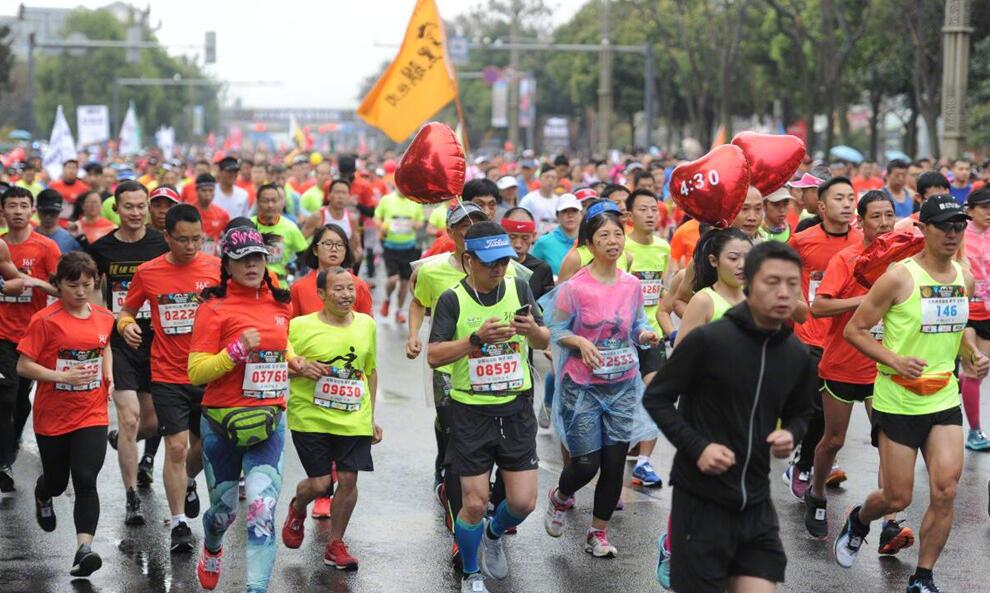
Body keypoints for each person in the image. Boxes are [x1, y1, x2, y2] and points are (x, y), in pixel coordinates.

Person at [835, 195, 989, 593]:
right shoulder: (898, 277)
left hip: (942, 397)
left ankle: (923, 577)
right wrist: (894, 359)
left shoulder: (963, 278)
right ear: (923, 229)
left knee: (945, 490)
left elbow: (953, 332)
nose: (953, 234)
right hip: (898, 398)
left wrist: (971, 353)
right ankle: (859, 519)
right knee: (897, 496)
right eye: (944, 226)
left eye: (959, 226)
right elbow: (855, 329)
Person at [644, 240, 815, 593]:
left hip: (755, 503)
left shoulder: (794, 354)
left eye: (792, 283)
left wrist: (793, 434)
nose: (784, 293)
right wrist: (699, 447)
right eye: (772, 282)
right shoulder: (710, 340)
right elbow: (658, 397)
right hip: (701, 503)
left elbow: (802, 411)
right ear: (750, 282)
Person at [428, 221, 548, 593]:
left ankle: (494, 535)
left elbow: (545, 338)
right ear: (469, 260)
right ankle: (470, 573)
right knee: (475, 504)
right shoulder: (453, 298)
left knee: (524, 502)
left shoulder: (520, 287)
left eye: (504, 262)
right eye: (490, 262)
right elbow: (434, 355)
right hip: (471, 411)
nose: (499, 269)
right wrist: (475, 340)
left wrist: (531, 331)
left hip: (515, 408)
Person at [187, 225, 305, 593]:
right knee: (223, 514)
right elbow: (195, 372)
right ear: (228, 264)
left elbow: (277, 349)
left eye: (257, 257)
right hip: (221, 422)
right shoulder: (213, 308)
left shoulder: (282, 303)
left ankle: (256, 589)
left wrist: (292, 359)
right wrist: (235, 351)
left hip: (269, 422)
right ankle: (212, 545)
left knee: (261, 513)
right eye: (243, 259)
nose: (252, 265)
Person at [541, 200, 659, 558]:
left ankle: (598, 533)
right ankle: (561, 496)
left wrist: (645, 335)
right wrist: (578, 341)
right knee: (587, 464)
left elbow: (637, 325)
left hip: (622, 384)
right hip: (583, 388)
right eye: (603, 235)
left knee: (613, 462)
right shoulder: (575, 288)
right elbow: (555, 328)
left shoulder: (632, 285)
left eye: (617, 234)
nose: (613, 241)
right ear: (589, 245)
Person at [801, 190, 916, 552]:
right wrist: (867, 301)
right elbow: (818, 307)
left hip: (884, 369)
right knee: (832, 440)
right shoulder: (846, 258)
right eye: (875, 217)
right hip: (841, 364)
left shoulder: (906, 261)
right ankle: (817, 494)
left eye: (888, 216)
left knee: (888, 447)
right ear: (861, 222)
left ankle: (890, 524)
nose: (883, 224)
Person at [119, 204, 221, 552]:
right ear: (166, 236)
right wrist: (127, 325)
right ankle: (179, 525)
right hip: (167, 373)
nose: (191, 247)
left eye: (197, 239)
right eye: (182, 240)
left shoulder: (216, 269)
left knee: (203, 446)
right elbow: (127, 310)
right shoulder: (148, 272)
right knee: (175, 447)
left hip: (208, 373)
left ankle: (190, 481)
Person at [16, 251, 114, 577]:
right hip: (53, 415)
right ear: (58, 285)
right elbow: (23, 365)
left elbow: (105, 347)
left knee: (86, 479)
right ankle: (43, 493)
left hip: (92, 412)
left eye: (87, 284)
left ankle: (84, 549)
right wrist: (63, 377)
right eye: (73, 285)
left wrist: (108, 376)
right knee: (58, 482)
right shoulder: (45, 320)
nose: (81, 291)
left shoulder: (103, 317)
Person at [281, 266, 382, 570]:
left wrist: (371, 417)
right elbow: (275, 365)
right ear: (322, 294)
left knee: (349, 479)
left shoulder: (366, 325)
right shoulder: (298, 327)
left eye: (350, 288)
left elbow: (370, 370)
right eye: (338, 289)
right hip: (311, 416)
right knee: (320, 483)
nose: (346, 295)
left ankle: (335, 544)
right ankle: (298, 506)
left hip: (353, 415)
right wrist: (298, 368)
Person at [88, 180, 168, 521]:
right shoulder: (101, 248)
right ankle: (131, 495)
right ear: (116, 209)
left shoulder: (161, 244)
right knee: (131, 416)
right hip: (120, 343)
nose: (135, 212)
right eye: (129, 206)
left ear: (148, 208)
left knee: (152, 423)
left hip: (157, 341)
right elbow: (93, 293)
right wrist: (98, 332)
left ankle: (122, 438)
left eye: (141, 206)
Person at [784, 176, 863, 499]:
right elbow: (783, 274)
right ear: (821, 206)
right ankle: (804, 464)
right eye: (839, 198)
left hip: (848, 337)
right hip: (809, 334)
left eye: (850, 198)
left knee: (832, 415)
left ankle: (816, 462)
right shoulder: (803, 241)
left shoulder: (861, 241)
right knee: (814, 406)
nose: (846, 204)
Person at [0, 186, 59, 491]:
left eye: (24, 205)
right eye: (12, 205)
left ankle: (10, 446)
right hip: (2, 334)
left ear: (32, 209)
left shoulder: (45, 247)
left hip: (33, 336)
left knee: (20, 398)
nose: (19, 211)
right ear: (3, 211)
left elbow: (66, 289)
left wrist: (35, 281)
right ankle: (4, 460)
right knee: (6, 395)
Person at [622, 189, 673, 487]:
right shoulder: (621, 247)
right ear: (629, 216)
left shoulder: (663, 247)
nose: (651, 214)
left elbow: (662, 289)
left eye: (654, 209)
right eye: (643, 209)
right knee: (627, 398)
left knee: (657, 393)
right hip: (624, 336)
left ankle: (644, 462)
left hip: (651, 334)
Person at [676, 228, 753, 346]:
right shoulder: (703, 301)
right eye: (733, 258)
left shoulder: (755, 299)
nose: (742, 265)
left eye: (748, 258)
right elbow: (681, 356)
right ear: (713, 260)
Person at [292, 223, 373, 319]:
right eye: (328, 244)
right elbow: (293, 327)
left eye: (340, 245)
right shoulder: (299, 288)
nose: (334, 249)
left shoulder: (359, 286)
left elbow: (368, 325)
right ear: (315, 250)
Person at [961, 187, 990, 450]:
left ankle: (962, 386)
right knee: (974, 368)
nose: (989, 213)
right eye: (984, 208)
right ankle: (975, 431)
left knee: (981, 372)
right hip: (967, 313)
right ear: (970, 210)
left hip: (989, 314)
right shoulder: (959, 237)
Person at [375, 189, 424, 323]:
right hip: (390, 246)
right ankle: (387, 299)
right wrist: (382, 226)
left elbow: (420, 222)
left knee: (404, 283)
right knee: (393, 279)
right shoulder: (386, 199)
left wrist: (415, 224)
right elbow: (377, 218)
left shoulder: (415, 201)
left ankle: (399, 311)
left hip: (409, 247)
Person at [251, 183, 308, 283]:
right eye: (265, 201)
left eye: (274, 200)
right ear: (258, 202)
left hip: (280, 286)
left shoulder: (290, 227)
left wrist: (292, 270)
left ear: (280, 202)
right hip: (253, 285)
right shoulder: (248, 226)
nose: (270, 205)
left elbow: (305, 256)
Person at [301, 179, 363, 263]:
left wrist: (352, 259)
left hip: (343, 268)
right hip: (320, 267)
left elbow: (357, 247)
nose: (340, 196)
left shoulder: (352, 219)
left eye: (344, 193)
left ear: (349, 197)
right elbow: (300, 241)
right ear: (329, 195)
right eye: (337, 192)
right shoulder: (318, 216)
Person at [501, 207, 554, 301]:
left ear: (534, 236)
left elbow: (547, 307)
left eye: (525, 238)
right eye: (512, 237)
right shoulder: (492, 266)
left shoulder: (542, 269)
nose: (518, 245)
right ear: (501, 235)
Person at [530, 193, 582, 276]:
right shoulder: (543, 242)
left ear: (580, 214)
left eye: (574, 210)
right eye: (565, 211)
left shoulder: (589, 242)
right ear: (557, 216)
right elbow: (530, 273)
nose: (570, 215)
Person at [191, 173, 231, 255]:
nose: (207, 194)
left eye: (210, 190)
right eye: (204, 190)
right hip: (191, 256)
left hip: (213, 259)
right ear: (197, 190)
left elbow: (229, 238)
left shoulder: (222, 214)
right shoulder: (187, 211)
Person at [35, 189, 82, 253]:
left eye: (53, 212)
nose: (48, 216)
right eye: (45, 212)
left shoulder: (70, 240)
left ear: (60, 212)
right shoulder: (26, 236)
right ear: (37, 211)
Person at [519, 164, 560, 236]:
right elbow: (520, 222)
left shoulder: (559, 201)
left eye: (553, 177)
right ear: (540, 178)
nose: (550, 180)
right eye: (547, 177)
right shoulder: (529, 200)